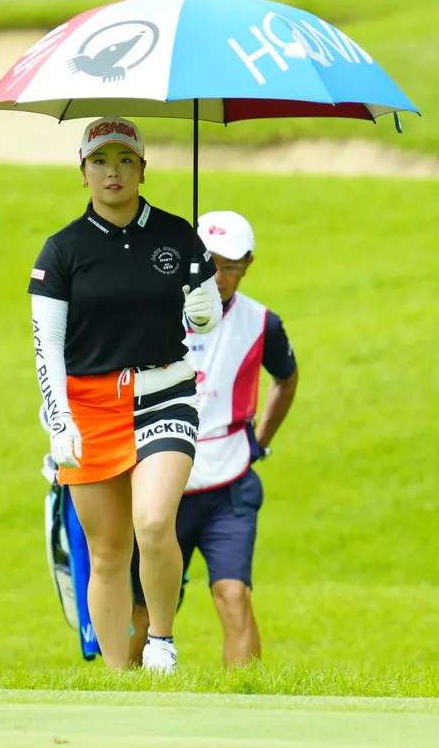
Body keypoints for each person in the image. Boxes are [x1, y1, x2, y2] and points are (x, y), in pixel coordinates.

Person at [28, 116, 222, 673]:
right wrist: (60, 420)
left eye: (124, 160)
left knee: (154, 522)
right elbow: (47, 346)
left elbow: (207, 316)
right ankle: (117, 677)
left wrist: (203, 309)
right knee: (108, 550)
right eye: (100, 161)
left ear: (142, 169)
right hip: (89, 408)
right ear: (83, 171)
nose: (112, 171)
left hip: (165, 394)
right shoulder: (62, 251)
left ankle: (161, 640)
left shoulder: (178, 235)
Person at [127, 210, 300, 668]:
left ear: (248, 265)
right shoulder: (152, 312)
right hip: (162, 482)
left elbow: (286, 378)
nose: (219, 277)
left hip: (229, 483)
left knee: (233, 594)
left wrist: (260, 440)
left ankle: (245, 698)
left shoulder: (261, 323)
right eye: (210, 263)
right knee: (143, 606)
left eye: (231, 267)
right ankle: (122, 694)